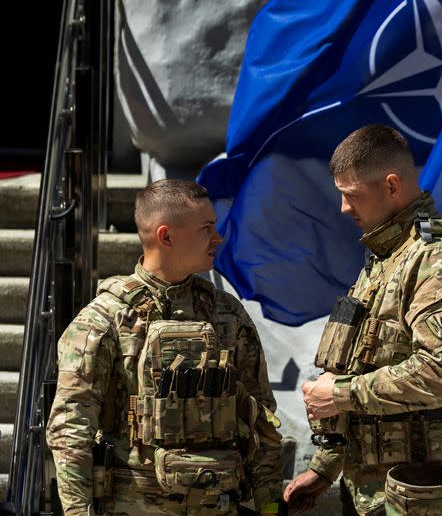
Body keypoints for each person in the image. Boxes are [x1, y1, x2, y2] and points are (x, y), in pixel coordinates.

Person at [284, 125, 442, 515]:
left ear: (391, 186)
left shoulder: (438, 261)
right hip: (368, 489)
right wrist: (326, 469)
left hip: (413, 492)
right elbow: (362, 361)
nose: (344, 208)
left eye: (351, 195)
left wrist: (339, 394)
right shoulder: (387, 258)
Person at [46, 179, 284, 516]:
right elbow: (70, 429)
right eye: (206, 228)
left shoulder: (226, 313)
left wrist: (272, 508)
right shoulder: (104, 319)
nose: (217, 237)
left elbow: (262, 421)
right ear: (166, 236)